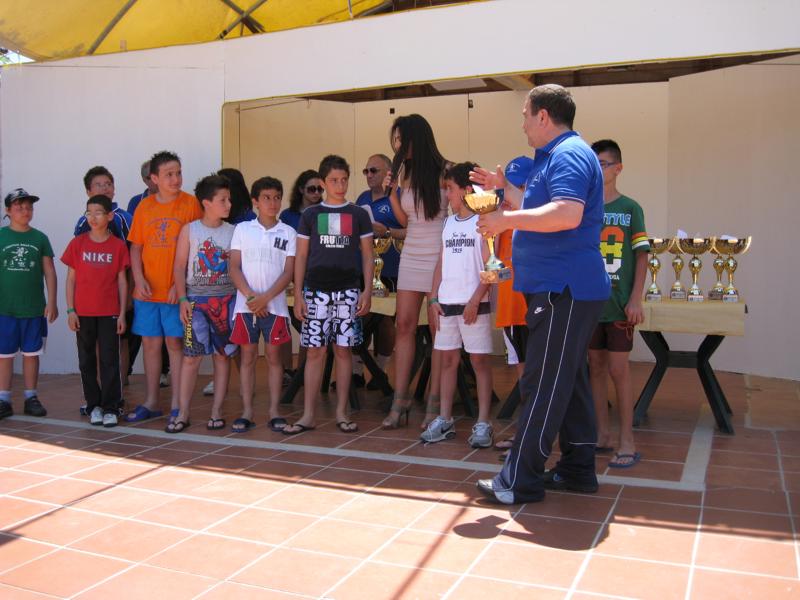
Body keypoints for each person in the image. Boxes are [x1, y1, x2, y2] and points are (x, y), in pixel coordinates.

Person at [472, 84, 610, 504]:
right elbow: (544, 206)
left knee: (544, 382)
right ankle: (577, 469)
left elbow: (566, 213)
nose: (523, 125)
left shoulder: (568, 155)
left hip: (562, 288)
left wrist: (505, 220)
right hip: (562, 288)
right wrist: (506, 192)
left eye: (525, 116)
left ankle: (519, 479)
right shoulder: (556, 156)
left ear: (543, 116)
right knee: (570, 380)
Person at [284, 155, 373, 435]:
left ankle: (342, 412)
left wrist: (367, 290)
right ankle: (308, 414)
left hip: (348, 290)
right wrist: (299, 294)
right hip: (315, 290)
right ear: (323, 182)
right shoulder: (310, 215)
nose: (340, 185)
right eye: (334, 180)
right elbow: (301, 256)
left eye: (344, 179)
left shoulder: (358, 214)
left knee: (343, 351)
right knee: (315, 351)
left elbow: (368, 255)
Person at [381, 114, 449, 430]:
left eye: (400, 139)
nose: (397, 145)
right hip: (411, 254)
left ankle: (434, 402)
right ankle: (401, 399)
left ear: (415, 138)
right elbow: (405, 220)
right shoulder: (403, 173)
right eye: (395, 139)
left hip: (439, 256)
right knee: (404, 325)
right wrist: (392, 193)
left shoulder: (446, 171)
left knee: (438, 331)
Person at [126, 151, 203, 423]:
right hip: (147, 292)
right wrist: (139, 278)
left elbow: (197, 249)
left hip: (175, 293)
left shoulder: (191, 204)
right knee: (150, 344)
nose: (176, 178)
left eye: (178, 172)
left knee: (175, 343)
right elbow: (136, 248)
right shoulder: (144, 207)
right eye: (169, 174)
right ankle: (151, 401)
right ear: (154, 178)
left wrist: (179, 287)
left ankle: (177, 404)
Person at [588, 139, 649, 468]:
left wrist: (636, 297)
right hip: (590, 302)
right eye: (594, 163)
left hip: (619, 303)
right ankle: (602, 433)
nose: (598, 170)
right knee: (595, 366)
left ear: (618, 168)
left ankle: (627, 439)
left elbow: (642, 256)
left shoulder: (630, 208)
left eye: (603, 163)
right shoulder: (584, 207)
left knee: (618, 369)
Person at [424, 162, 494, 448]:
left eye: (450, 189)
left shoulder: (484, 221)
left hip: (474, 305)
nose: (447, 195)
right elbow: (441, 261)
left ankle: (484, 422)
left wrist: (476, 300)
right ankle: (444, 419)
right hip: (447, 304)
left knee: (479, 362)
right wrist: (433, 297)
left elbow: (493, 267)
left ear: (466, 190)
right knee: (448, 362)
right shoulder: (448, 223)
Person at [168, 175, 237, 433]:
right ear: (206, 203)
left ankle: (217, 411)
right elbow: (179, 267)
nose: (228, 204)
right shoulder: (190, 230)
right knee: (191, 358)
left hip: (226, 301)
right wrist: (182, 299)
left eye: (229, 199)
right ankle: (183, 412)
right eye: (223, 200)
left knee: (222, 356)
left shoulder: (233, 232)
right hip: (196, 303)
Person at [229, 176, 295, 433]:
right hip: (246, 307)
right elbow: (234, 267)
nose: (272, 203)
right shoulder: (243, 230)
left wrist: (265, 298)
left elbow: (288, 272)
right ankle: (247, 411)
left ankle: (275, 411)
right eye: (266, 197)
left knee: (274, 357)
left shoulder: (288, 232)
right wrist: (251, 298)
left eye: (277, 197)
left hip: (274, 307)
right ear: (255, 201)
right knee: (247, 356)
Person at [61, 195, 130, 427]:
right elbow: (71, 280)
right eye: (88, 212)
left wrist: (122, 313)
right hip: (83, 313)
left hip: (110, 312)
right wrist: (70, 310)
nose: (92, 217)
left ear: (109, 216)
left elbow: (122, 282)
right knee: (86, 360)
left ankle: (111, 407)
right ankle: (94, 406)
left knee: (110, 360)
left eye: (98, 212)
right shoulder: (77, 244)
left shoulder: (118, 246)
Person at [72, 165, 136, 400]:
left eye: (108, 184)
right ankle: (97, 395)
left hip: (118, 293)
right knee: (94, 347)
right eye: (98, 185)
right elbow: (77, 265)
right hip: (90, 300)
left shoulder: (125, 218)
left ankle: (118, 392)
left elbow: (132, 258)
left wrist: (129, 294)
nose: (104, 188)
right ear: (88, 191)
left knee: (119, 342)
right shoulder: (83, 222)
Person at [0, 189, 57, 419]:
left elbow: (49, 272)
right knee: (4, 354)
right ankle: (3, 398)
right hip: (4, 309)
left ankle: (31, 397)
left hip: (33, 308)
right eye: (19, 207)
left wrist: (52, 301)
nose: (25, 211)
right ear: (8, 211)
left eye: (29, 207)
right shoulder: (1, 237)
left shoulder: (40, 238)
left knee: (31, 353)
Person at [493, 156, 534, 458]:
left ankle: (534, 435)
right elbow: (497, 266)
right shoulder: (502, 220)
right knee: (523, 374)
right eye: (507, 187)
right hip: (510, 309)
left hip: (534, 307)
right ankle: (524, 433)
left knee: (536, 373)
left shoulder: (535, 218)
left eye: (518, 187)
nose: (510, 194)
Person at [356, 153, 404, 390]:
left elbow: (413, 231)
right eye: (366, 171)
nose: (369, 175)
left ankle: (380, 371)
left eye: (373, 170)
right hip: (364, 268)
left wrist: (386, 232)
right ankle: (356, 371)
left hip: (392, 269)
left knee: (385, 321)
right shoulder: (362, 198)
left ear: (388, 173)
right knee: (360, 316)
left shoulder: (400, 196)